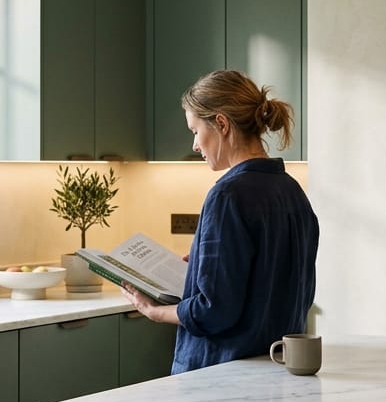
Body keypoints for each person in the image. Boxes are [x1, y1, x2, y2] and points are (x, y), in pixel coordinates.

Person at [121, 69, 319, 374]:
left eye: (195, 131)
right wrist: (202, 267)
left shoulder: (227, 196)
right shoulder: (292, 191)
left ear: (222, 124)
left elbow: (214, 311)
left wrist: (155, 311)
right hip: (276, 369)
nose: (195, 145)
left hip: (220, 374)